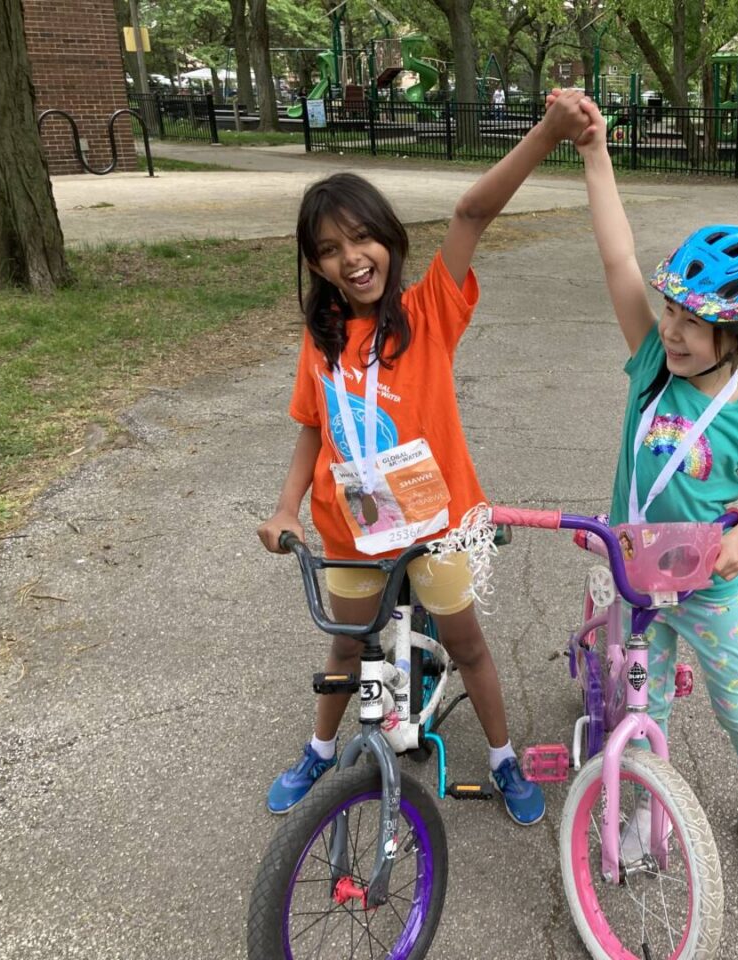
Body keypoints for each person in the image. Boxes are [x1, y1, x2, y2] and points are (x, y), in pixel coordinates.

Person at [256, 89, 592, 824]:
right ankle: (322, 749)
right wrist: (286, 507)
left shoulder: (430, 311)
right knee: (350, 651)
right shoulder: (320, 341)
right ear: (316, 266)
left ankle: (503, 761)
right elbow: (312, 427)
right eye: (329, 251)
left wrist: (549, 132)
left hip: (436, 524)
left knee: (468, 646)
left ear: (388, 238)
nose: (351, 259)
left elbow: (472, 213)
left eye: (361, 239)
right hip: (350, 529)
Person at [570, 96, 738, 883]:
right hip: (636, 576)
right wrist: (596, 153)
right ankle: (642, 809)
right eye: (670, 311)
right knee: (644, 704)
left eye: (691, 324)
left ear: (736, 339)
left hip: (705, 585)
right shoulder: (649, 369)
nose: (671, 329)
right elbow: (617, 259)